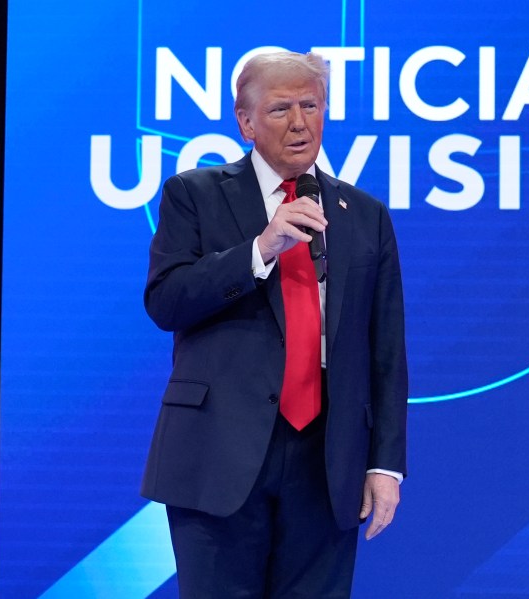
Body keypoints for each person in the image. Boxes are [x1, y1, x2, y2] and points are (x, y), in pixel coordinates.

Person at [140, 50, 408, 598]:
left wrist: (386, 465)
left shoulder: (365, 215)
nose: (300, 122)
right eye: (281, 108)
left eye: (311, 105)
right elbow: (167, 301)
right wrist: (261, 249)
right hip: (217, 452)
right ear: (245, 121)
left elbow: (386, 349)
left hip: (327, 459)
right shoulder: (194, 194)